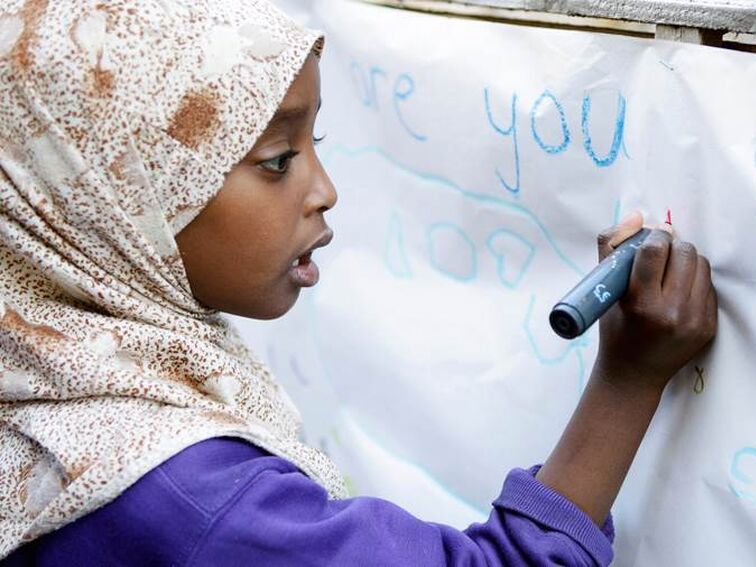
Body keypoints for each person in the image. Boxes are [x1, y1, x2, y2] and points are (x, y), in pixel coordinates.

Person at [0, 0, 716, 564]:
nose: (326, 191)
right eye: (277, 160)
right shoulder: (198, 501)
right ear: (112, 200)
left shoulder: (48, 379)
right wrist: (626, 382)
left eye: (316, 143)